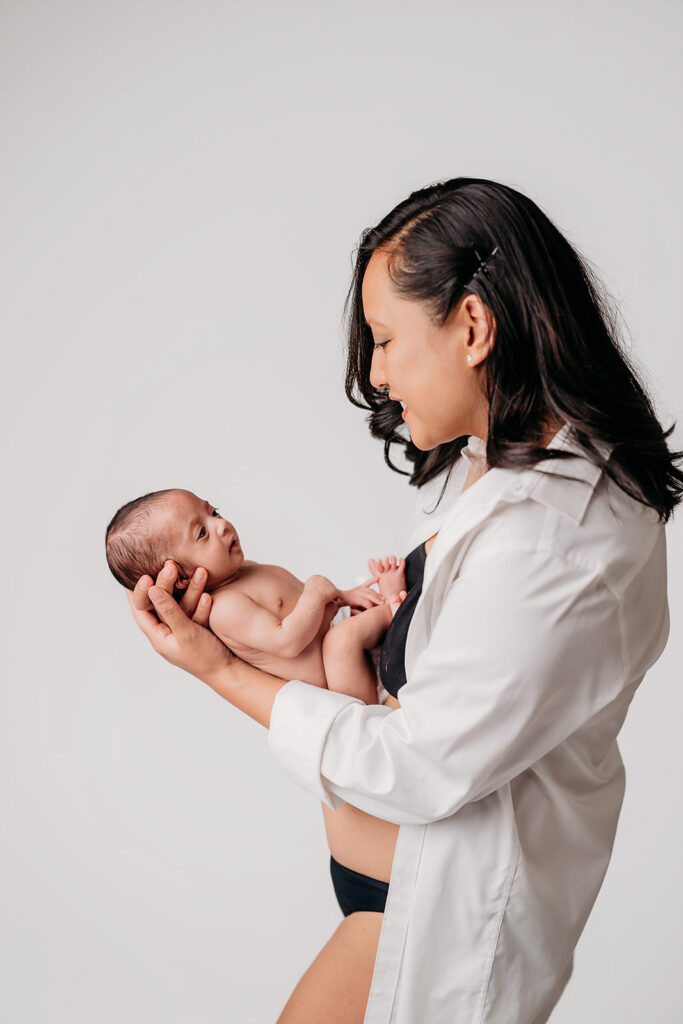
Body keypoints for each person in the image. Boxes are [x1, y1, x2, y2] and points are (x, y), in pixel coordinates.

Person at [127, 177, 682, 1023]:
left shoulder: (555, 536)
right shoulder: (505, 468)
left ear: (471, 327)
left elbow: (423, 764)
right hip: (394, 896)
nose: (376, 374)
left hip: (431, 924)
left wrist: (215, 670)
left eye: (385, 340)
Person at [106, 487, 408, 703]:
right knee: (340, 640)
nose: (221, 525)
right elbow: (287, 642)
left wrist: (345, 595)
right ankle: (394, 608)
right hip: (341, 682)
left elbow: (312, 606)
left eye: (213, 512)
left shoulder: (245, 570)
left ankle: (384, 606)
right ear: (181, 579)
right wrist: (316, 591)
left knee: (344, 630)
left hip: (345, 644)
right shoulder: (225, 609)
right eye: (201, 532)